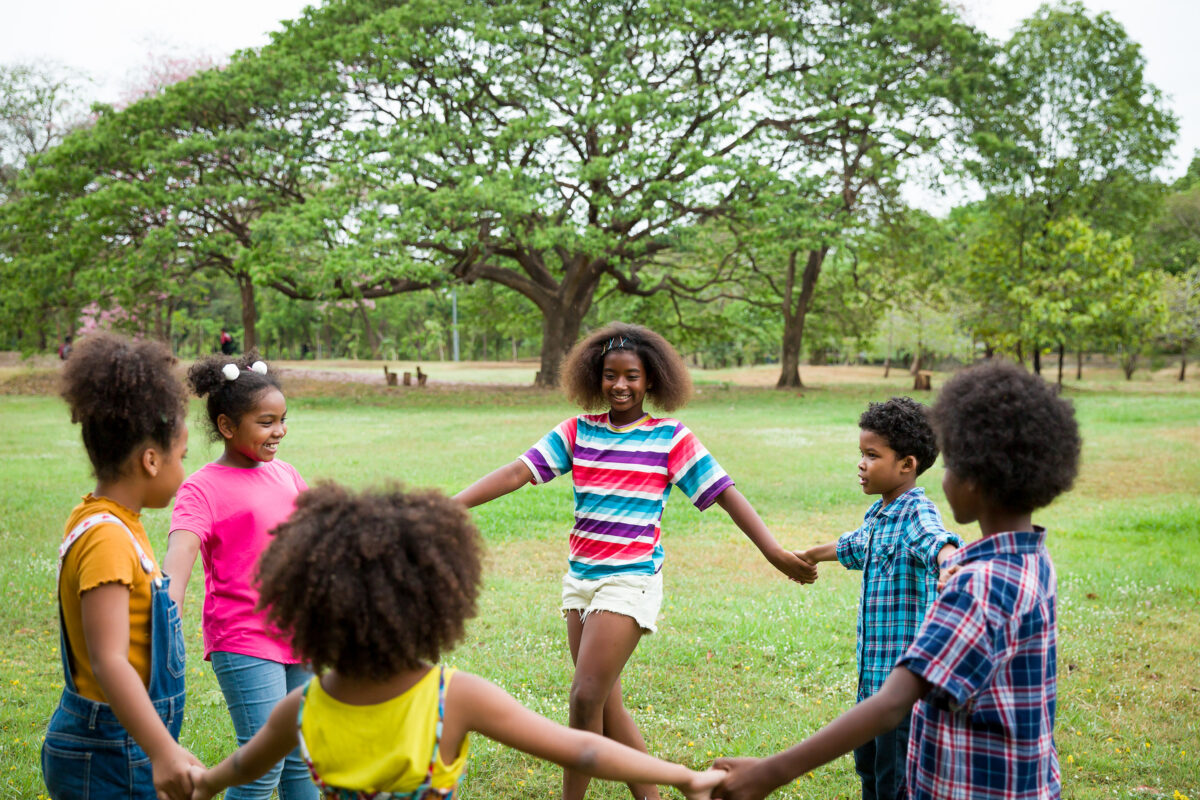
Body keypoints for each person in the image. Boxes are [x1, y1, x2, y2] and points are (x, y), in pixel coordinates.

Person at [455, 322, 816, 800]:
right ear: (595, 377)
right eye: (610, 375)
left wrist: (773, 552)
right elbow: (517, 472)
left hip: (630, 580)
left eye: (632, 376)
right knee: (605, 704)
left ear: (652, 381)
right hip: (581, 578)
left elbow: (725, 493)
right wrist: (448, 506)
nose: (620, 385)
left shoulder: (670, 437)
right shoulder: (578, 432)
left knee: (585, 697)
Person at [186, 483, 725, 800]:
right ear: (435, 603)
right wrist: (682, 776)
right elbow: (583, 746)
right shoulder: (454, 697)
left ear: (307, 607)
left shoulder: (299, 709)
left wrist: (199, 784)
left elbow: (236, 771)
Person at [713, 360, 1081, 800]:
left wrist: (771, 772)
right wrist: (811, 554)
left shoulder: (975, 584)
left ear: (975, 478)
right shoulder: (1031, 559)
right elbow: (864, 544)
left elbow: (892, 703)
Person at [42, 332, 199, 800]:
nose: (184, 470)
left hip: (125, 743)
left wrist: (162, 744)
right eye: (182, 457)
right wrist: (163, 751)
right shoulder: (108, 536)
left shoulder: (112, 519)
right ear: (151, 460)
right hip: (106, 750)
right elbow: (110, 660)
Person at [162, 352, 315, 800]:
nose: (280, 431)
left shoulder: (286, 474)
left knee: (302, 757)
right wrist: (164, 613)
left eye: (283, 420)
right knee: (259, 765)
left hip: (300, 631)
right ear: (228, 427)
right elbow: (180, 553)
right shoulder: (202, 487)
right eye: (266, 422)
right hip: (245, 637)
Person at [797, 397, 962, 800]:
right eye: (861, 454)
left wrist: (950, 562)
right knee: (870, 773)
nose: (861, 464)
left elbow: (937, 541)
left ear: (906, 464)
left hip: (902, 696)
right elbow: (855, 546)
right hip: (871, 685)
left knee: (896, 784)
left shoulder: (916, 513)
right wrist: (811, 555)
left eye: (872, 455)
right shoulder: (879, 514)